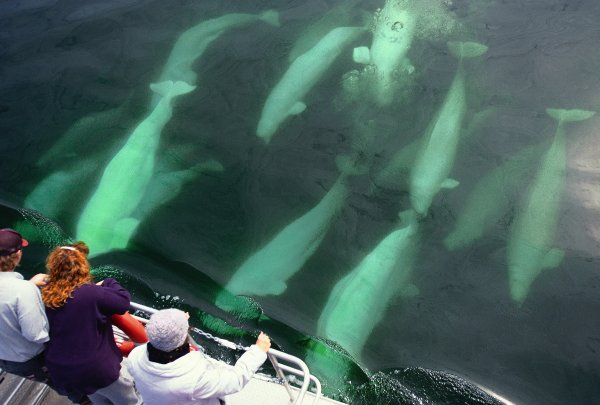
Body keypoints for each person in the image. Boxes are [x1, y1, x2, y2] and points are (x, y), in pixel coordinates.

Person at [41, 242, 140, 404]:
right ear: (82, 267)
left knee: (99, 399)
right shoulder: (91, 293)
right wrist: (109, 282)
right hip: (95, 370)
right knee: (129, 402)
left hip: (63, 372)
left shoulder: (46, 298)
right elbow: (123, 302)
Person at [127, 308, 271, 405]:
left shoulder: (135, 358)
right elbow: (235, 380)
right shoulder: (195, 380)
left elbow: (166, 336)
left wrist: (178, 322)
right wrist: (258, 351)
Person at [0, 228, 50, 382]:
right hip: (33, 359)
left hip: (7, 359)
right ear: (17, 255)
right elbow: (36, 335)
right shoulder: (23, 290)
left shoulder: (21, 289)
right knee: (66, 383)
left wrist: (29, 284)